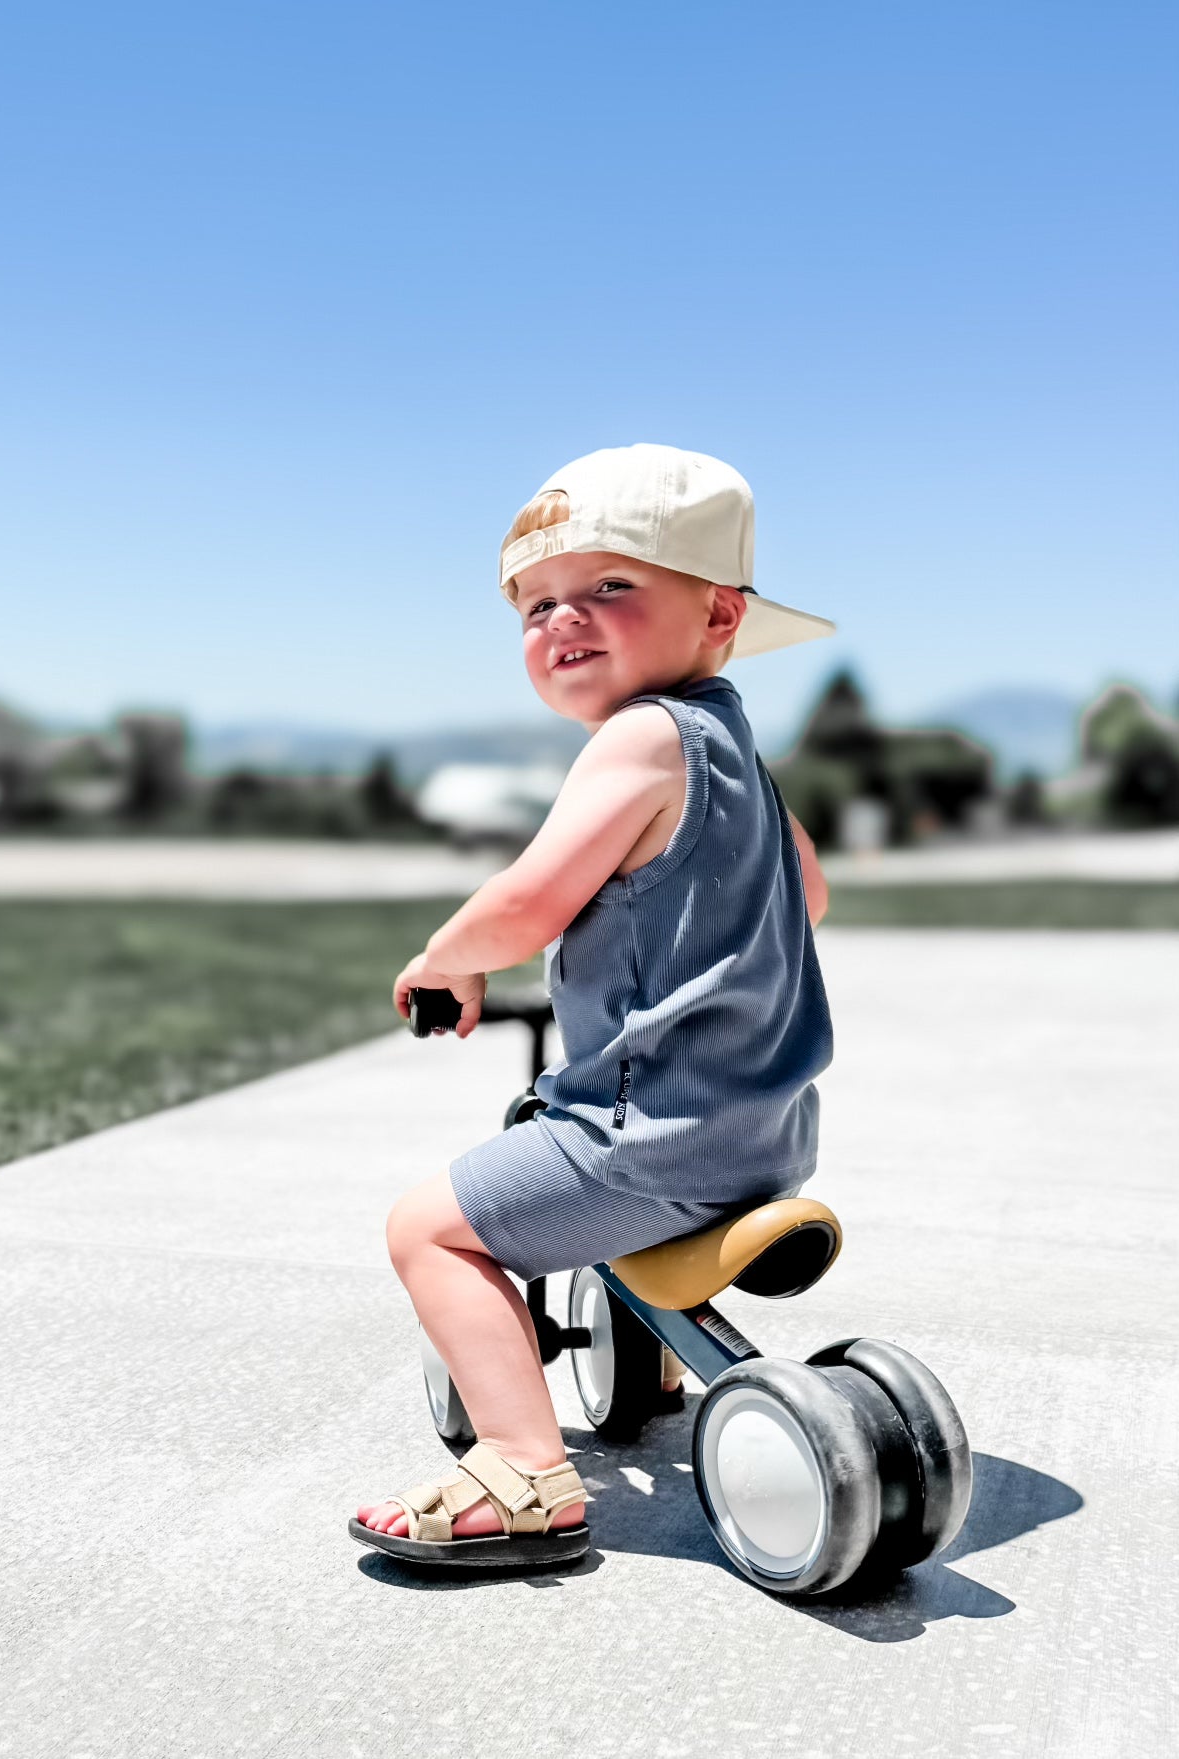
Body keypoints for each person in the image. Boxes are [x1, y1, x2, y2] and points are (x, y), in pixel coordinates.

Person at [350, 443, 837, 1567]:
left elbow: (525, 899)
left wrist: (444, 959)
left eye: (610, 587)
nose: (562, 621)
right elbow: (805, 892)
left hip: (643, 1140)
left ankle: (522, 1470)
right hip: (766, 1133)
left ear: (717, 612)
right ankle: (652, 1362)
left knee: (426, 1228)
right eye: (535, 605)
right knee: (549, 1195)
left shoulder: (641, 735)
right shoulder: (738, 757)